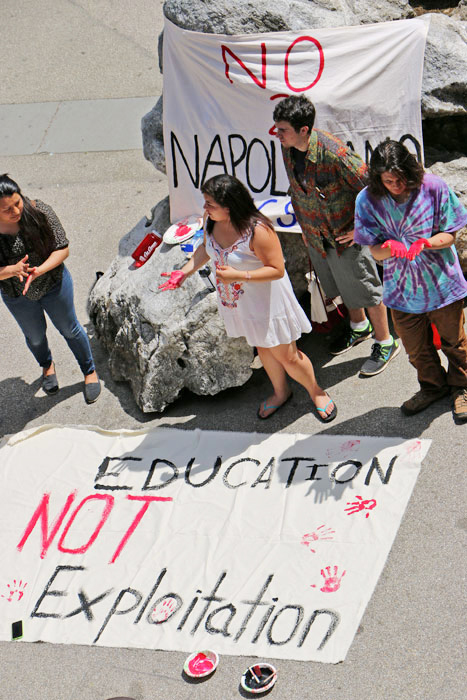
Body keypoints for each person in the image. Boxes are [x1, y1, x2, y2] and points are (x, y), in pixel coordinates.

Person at [159, 174, 337, 422]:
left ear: (229, 207)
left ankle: (317, 392)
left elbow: (277, 270)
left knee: (288, 356)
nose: (205, 208)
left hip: (267, 302)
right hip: (239, 303)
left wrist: (238, 275)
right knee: (262, 347)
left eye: (210, 203)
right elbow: (206, 247)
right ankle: (280, 391)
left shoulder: (258, 231)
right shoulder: (211, 219)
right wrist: (185, 271)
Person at [273, 95, 399, 377]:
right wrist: (305, 230)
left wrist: (362, 229)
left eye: (283, 129)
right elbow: (297, 188)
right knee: (341, 286)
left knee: (367, 289)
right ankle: (359, 327)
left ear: (304, 130)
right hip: (316, 236)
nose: (277, 134)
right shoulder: (288, 147)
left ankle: (385, 342)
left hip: (344, 235)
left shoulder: (335, 154)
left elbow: (376, 190)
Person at [354, 140, 467, 422]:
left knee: (455, 342)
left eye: (401, 179)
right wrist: (391, 245)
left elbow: (452, 234)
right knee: (416, 348)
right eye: (389, 180)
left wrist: (426, 243)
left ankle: (462, 387)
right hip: (401, 289)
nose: (396, 185)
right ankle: (433, 387)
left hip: (442, 284)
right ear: (378, 178)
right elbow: (375, 249)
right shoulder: (367, 200)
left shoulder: (433, 186)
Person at [0, 174, 101, 403]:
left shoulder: (39, 211)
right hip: (17, 294)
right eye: (7, 209)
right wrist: (12, 270)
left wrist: (40, 270)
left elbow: (62, 249)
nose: (16, 211)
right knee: (34, 337)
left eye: (17, 202)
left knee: (70, 328)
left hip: (53, 283)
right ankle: (47, 366)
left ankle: (89, 371)